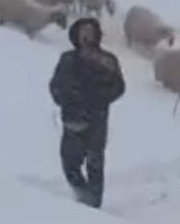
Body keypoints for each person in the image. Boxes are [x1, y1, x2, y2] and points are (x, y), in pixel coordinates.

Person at [50, 17, 125, 208]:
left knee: (95, 162)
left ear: (97, 35)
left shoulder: (107, 60)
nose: (86, 36)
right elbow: (55, 85)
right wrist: (65, 99)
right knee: (69, 163)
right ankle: (82, 194)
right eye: (82, 31)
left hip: (97, 119)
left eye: (90, 32)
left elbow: (118, 86)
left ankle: (93, 204)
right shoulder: (67, 59)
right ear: (75, 34)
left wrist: (99, 99)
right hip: (72, 118)